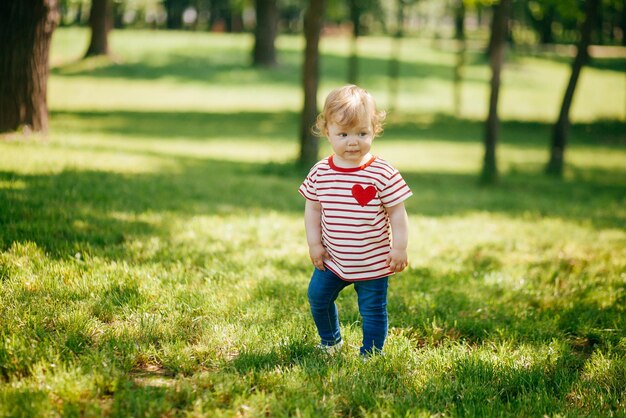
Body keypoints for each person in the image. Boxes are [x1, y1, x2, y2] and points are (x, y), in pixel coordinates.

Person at [298, 84, 412, 357]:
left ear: (374, 130)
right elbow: (312, 209)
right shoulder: (321, 172)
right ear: (327, 132)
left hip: (374, 261)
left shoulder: (382, 172)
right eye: (343, 134)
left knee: (372, 310)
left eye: (362, 133)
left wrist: (399, 248)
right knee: (318, 297)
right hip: (333, 258)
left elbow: (397, 212)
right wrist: (314, 245)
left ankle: (371, 352)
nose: (353, 141)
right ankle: (331, 341)